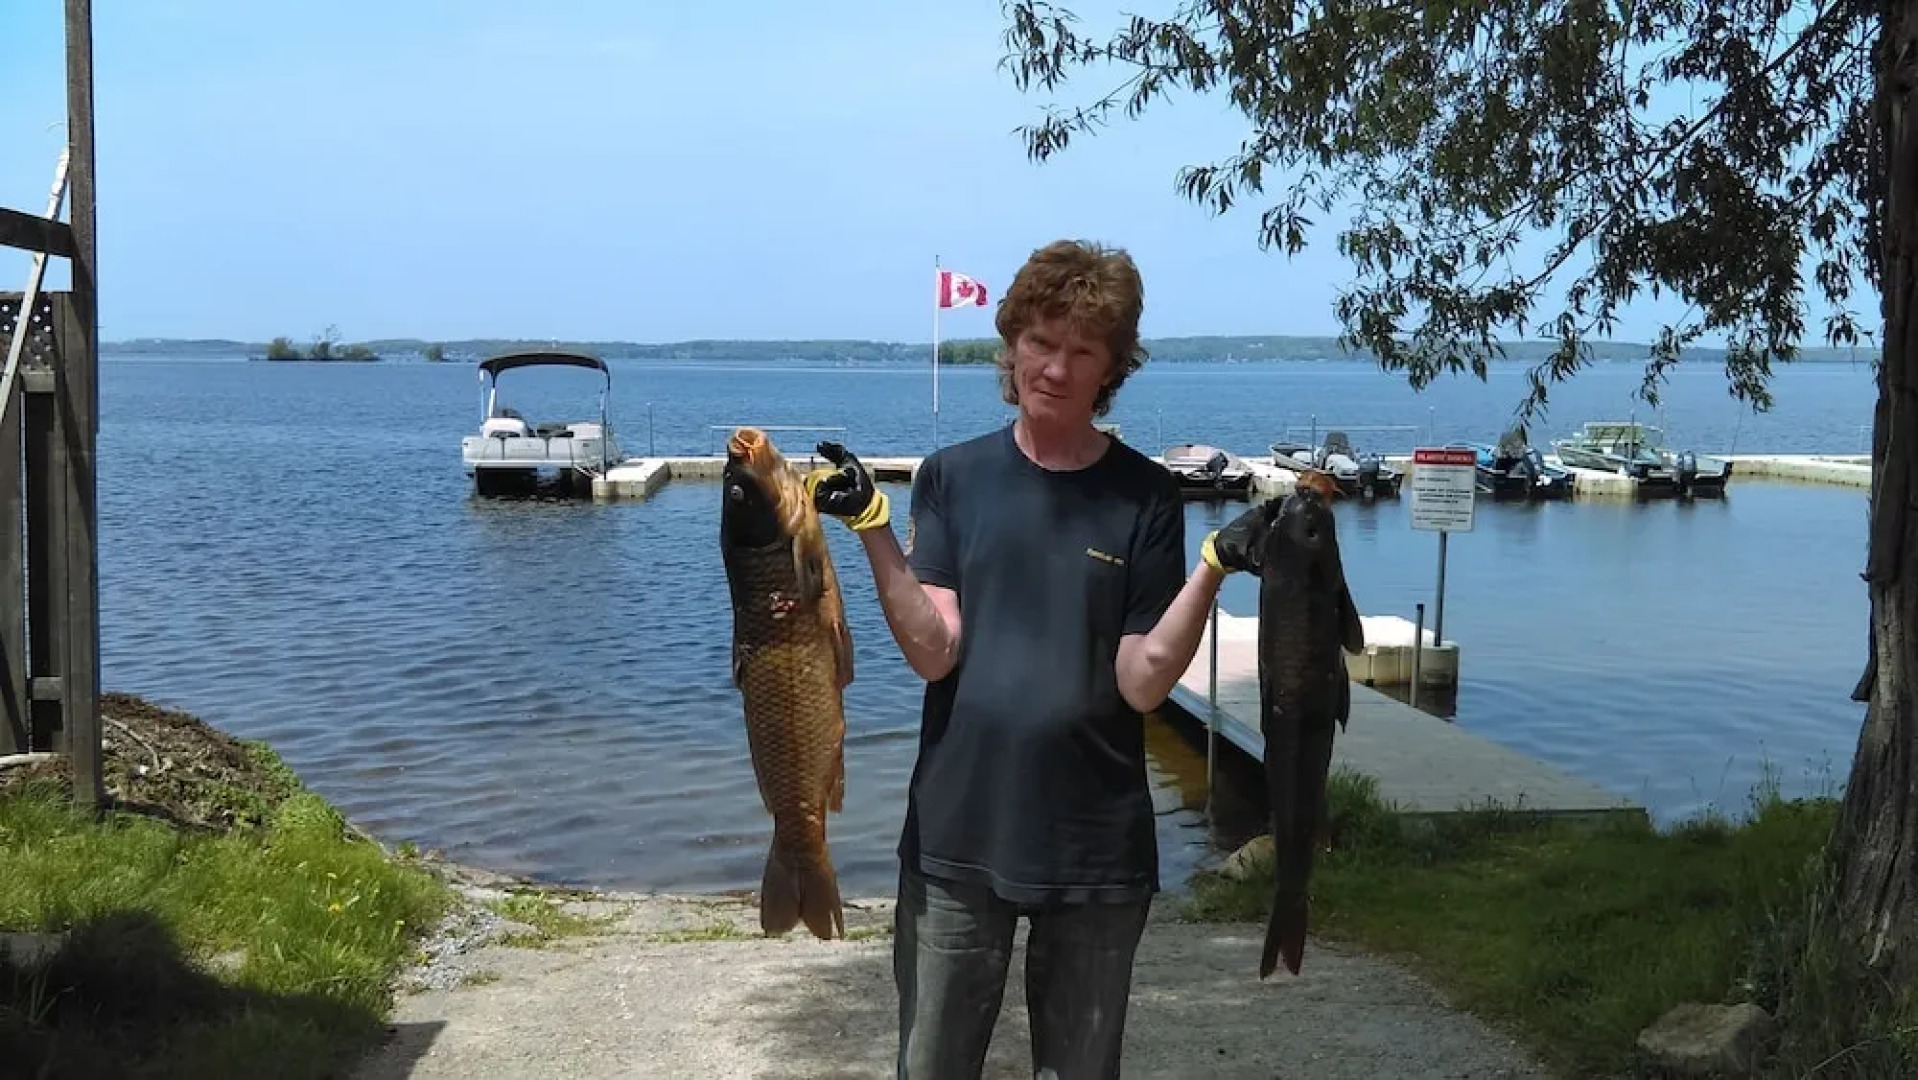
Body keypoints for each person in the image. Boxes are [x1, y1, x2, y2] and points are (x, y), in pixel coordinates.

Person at [806, 238, 1268, 1079]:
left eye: (1081, 351)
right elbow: (935, 652)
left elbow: (1141, 682)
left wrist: (1210, 570)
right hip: (959, 829)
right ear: (1012, 345)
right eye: (1041, 342)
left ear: (1111, 369)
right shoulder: (951, 478)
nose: (1055, 368)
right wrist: (874, 530)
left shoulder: (1145, 494)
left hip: (1095, 843)